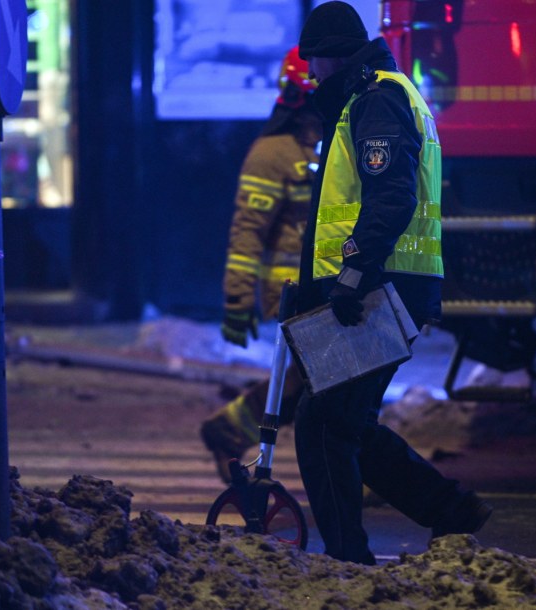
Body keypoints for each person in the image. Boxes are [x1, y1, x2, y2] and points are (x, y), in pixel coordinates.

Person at [292, 1, 493, 564]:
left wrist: (352, 275)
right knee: (345, 420)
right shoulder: (382, 94)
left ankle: (348, 561)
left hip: (381, 289)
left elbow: (392, 197)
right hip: (389, 285)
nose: (311, 75)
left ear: (334, 58)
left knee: (324, 424)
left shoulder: (376, 100)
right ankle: (452, 512)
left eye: (314, 63)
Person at [200, 46, 320, 483]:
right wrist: (236, 298)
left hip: (326, 287)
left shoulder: (332, 146)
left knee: (318, 381)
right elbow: (246, 233)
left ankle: (227, 431)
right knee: (326, 379)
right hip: (291, 289)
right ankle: (230, 431)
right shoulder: (272, 154)